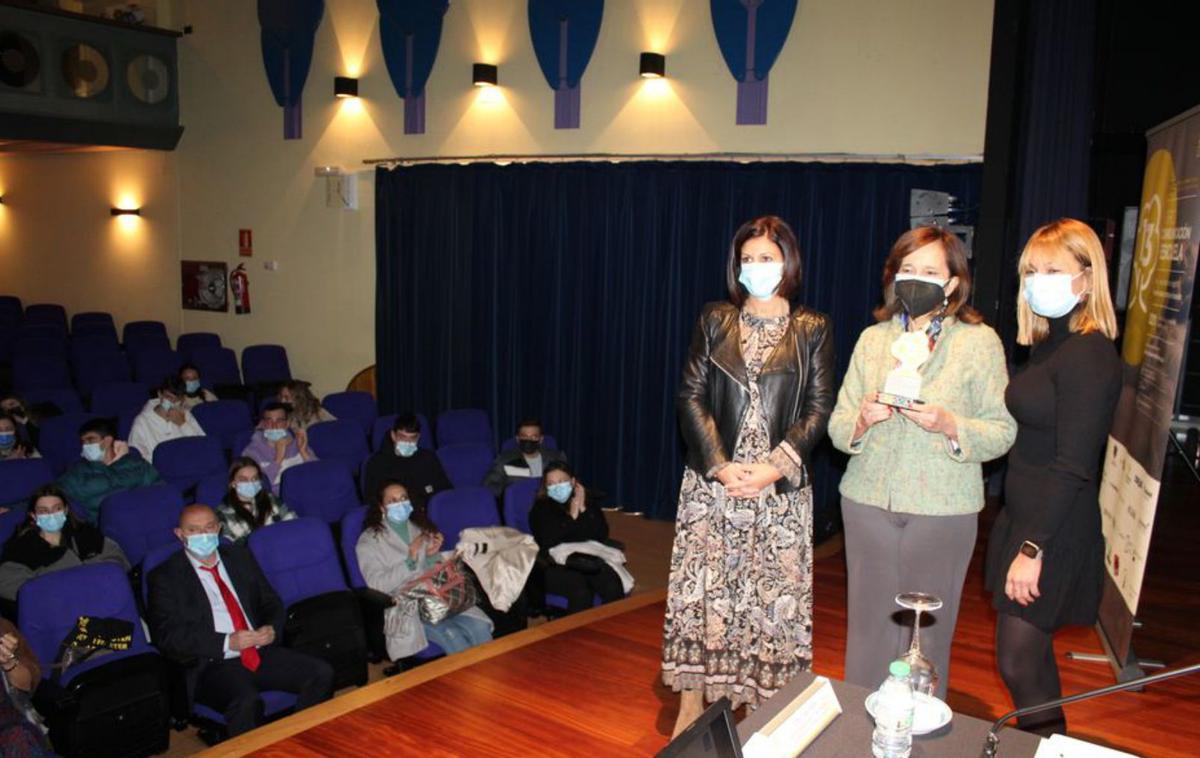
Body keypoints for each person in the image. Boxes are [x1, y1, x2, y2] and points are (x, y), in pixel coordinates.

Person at [662, 215, 835, 736]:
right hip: (714, 486)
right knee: (707, 598)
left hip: (777, 493)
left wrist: (773, 467)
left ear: (789, 262)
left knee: (766, 605)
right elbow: (690, 394)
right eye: (749, 259)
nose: (758, 268)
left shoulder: (813, 328)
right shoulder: (716, 319)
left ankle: (762, 709)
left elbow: (819, 407)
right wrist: (718, 465)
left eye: (768, 257)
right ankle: (693, 705)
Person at [828, 226, 1016, 700]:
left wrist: (951, 424)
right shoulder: (873, 340)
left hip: (942, 509)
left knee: (925, 637)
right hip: (868, 501)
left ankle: (916, 736)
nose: (915, 279)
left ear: (953, 282)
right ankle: (860, 734)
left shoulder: (978, 342)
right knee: (868, 631)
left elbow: (1002, 430)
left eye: (929, 271)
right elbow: (837, 423)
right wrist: (863, 420)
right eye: (907, 269)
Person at [985, 219, 1121, 736]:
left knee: (1019, 662)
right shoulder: (1052, 345)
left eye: (1053, 270)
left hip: (1051, 530)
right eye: (1032, 271)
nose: (1038, 281)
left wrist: (1033, 548)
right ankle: (1049, 748)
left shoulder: (1088, 353)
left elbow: (1074, 465)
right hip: (1027, 517)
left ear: (1087, 278)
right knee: (1030, 661)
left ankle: (1048, 747)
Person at [147, 504, 334, 737]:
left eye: (209, 527)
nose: (203, 535)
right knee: (247, 702)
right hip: (213, 663)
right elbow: (168, 635)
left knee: (321, 673)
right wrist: (227, 642)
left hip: (259, 649)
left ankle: (302, 742)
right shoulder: (165, 577)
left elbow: (271, 602)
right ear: (180, 534)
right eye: (193, 530)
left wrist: (271, 628)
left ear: (219, 528)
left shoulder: (239, 556)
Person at [356, 481, 493, 662]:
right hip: (407, 606)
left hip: (440, 597)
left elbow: (436, 572)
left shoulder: (420, 527)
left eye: (403, 498)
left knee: (480, 628)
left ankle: (493, 679)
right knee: (452, 635)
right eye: (393, 501)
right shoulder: (369, 541)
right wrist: (410, 560)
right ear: (382, 507)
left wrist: (432, 555)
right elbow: (377, 585)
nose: (400, 504)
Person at [0, 484, 129, 601]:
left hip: (100, 595)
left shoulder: (86, 533)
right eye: (43, 511)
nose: (51, 515)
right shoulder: (21, 547)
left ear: (66, 510)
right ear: (33, 516)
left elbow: (118, 560)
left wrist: (90, 575)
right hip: (57, 607)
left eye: (57, 509)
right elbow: (11, 586)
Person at [528, 462, 624, 614]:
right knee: (581, 592)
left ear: (572, 482)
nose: (556, 487)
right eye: (551, 483)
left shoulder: (586, 502)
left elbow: (600, 534)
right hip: (556, 564)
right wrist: (572, 517)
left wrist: (584, 510)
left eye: (561, 481)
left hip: (587, 559)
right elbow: (549, 540)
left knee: (613, 586)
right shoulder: (541, 508)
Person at [56, 417, 162, 523]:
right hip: (105, 528)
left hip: (143, 518)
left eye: (90, 440)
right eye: (83, 442)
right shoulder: (78, 471)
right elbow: (58, 492)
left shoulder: (136, 464)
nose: (85, 446)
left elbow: (159, 489)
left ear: (107, 441)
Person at [362, 412, 452, 507]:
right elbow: (372, 501)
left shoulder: (428, 457)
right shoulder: (377, 463)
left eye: (412, 438)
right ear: (393, 435)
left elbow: (445, 491)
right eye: (402, 437)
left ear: (418, 437)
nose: (408, 442)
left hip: (428, 512)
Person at [240, 403, 316, 495]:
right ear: (263, 424)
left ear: (287, 424)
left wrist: (304, 453)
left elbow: (319, 474)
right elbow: (256, 487)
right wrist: (278, 458)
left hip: (308, 492)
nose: (274, 426)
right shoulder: (251, 452)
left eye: (279, 421)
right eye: (269, 421)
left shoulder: (298, 443)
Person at [216, 457, 298, 543]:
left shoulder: (270, 499)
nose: (250, 483)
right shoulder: (223, 513)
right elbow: (230, 549)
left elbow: (292, 522)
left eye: (255, 478)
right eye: (244, 480)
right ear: (233, 483)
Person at [0, 617, 51, 753]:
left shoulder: (2, 627)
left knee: (18, 737)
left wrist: (9, 662)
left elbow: (29, 683)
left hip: (10, 730)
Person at [483, 418, 568, 497]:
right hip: (517, 505)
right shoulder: (504, 459)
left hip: (549, 504)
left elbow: (569, 483)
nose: (529, 440)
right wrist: (510, 492)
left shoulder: (556, 458)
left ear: (541, 439)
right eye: (524, 436)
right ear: (517, 439)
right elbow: (489, 485)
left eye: (534, 436)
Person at [128, 376, 206, 461]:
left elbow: (203, 445)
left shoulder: (185, 415)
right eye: (169, 397)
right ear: (160, 394)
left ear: (182, 399)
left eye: (177, 399)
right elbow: (137, 460)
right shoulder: (142, 422)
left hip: (189, 464)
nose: (172, 403)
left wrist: (183, 424)